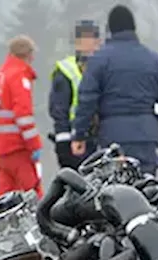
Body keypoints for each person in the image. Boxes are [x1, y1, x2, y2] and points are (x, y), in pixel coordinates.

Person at [70, 5, 158, 176]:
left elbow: (87, 100)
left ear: (110, 30)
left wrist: (79, 135)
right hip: (146, 135)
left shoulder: (99, 60)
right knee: (146, 191)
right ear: (134, 28)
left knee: (115, 192)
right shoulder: (155, 60)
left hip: (112, 135)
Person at [0, 36, 43, 196]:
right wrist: (34, 144)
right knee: (32, 195)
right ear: (28, 54)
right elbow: (23, 114)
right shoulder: (19, 75)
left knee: (6, 198)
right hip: (17, 147)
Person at [49, 20, 100, 170]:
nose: (88, 43)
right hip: (75, 138)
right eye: (84, 38)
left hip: (101, 136)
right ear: (76, 42)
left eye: (92, 38)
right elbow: (59, 109)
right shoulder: (66, 70)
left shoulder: (104, 66)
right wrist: (63, 141)